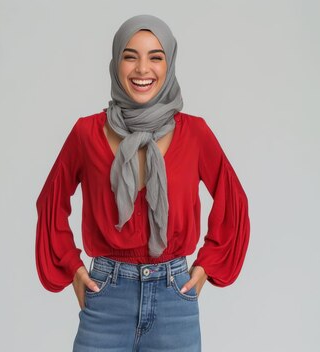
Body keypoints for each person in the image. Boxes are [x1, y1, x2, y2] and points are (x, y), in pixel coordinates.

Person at [34, 14, 250, 351]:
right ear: (116, 62)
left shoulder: (195, 133)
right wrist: (73, 269)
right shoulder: (85, 133)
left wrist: (206, 267)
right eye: (130, 56)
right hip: (106, 298)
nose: (142, 69)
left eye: (155, 57)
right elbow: (50, 201)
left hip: (173, 300)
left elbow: (232, 197)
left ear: (169, 64)